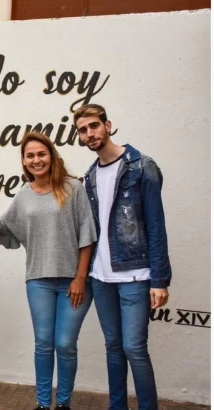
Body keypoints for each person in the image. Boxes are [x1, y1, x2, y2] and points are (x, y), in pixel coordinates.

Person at [75, 104, 171, 410]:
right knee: (113, 347)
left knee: (134, 348)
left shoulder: (142, 167)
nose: (89, 134)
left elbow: (156, 225)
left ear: (107, 125)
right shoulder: (89, 176)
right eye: (82, 130)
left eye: (93, 126)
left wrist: (160, 279)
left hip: (135, 275)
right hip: (101, 277)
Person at [0, 131, 97, 410]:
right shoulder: (24, 195)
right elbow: (4, 228)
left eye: (41, 153)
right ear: (24, 161)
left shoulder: (73, 187)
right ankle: (43, 404)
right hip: (38, 280)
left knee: (65, 343)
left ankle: (63, 403)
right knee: (43, 343)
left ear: (52, 156)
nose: (36, 159)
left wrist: (80, 277)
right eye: (30, 155)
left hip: (73, 282)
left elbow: (88, 234)